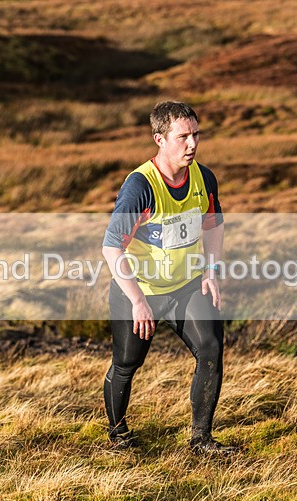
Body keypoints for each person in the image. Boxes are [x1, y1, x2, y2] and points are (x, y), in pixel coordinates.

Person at [101, 101, 236, 455]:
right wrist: (137, 301)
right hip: (139, 289)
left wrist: (211, 271)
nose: (192, 144)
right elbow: (111, 248)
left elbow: (214, 225)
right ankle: (118, 435)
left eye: (196, 135)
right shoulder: (139, 188)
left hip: (187, 285)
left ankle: (201, 439)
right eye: (183, 137)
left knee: (210, 349)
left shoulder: (203, 178)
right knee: (127, 364)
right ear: (160, 139)